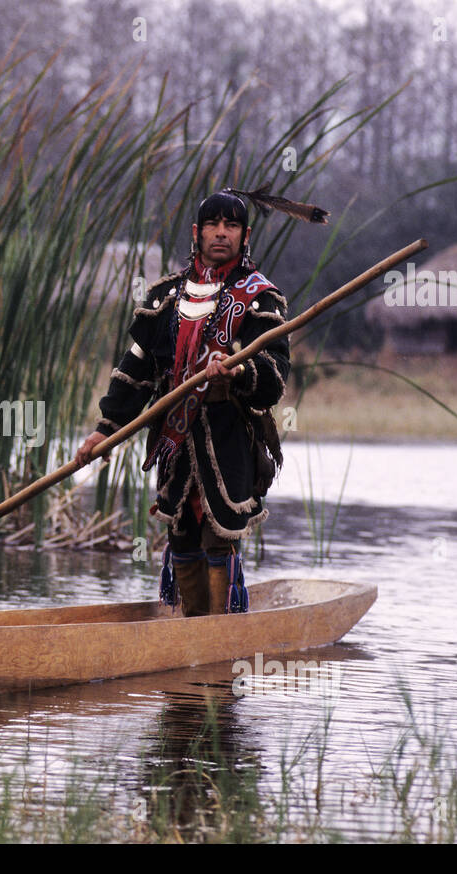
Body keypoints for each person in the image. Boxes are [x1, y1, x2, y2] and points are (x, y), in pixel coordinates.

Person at [75, 188, 304, 618]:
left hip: (229, 439)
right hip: (175, 440)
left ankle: (217, 641)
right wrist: (103, 431)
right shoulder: (164, 298)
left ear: (245, 234)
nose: (222, 233)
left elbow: (274, 378)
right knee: (181, 533)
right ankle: (189, 646)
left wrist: (238, 371)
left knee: (220, 533)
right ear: (197, 233)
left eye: (231, 225)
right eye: (213, 225)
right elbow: (135, 372)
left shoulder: (261, 298)